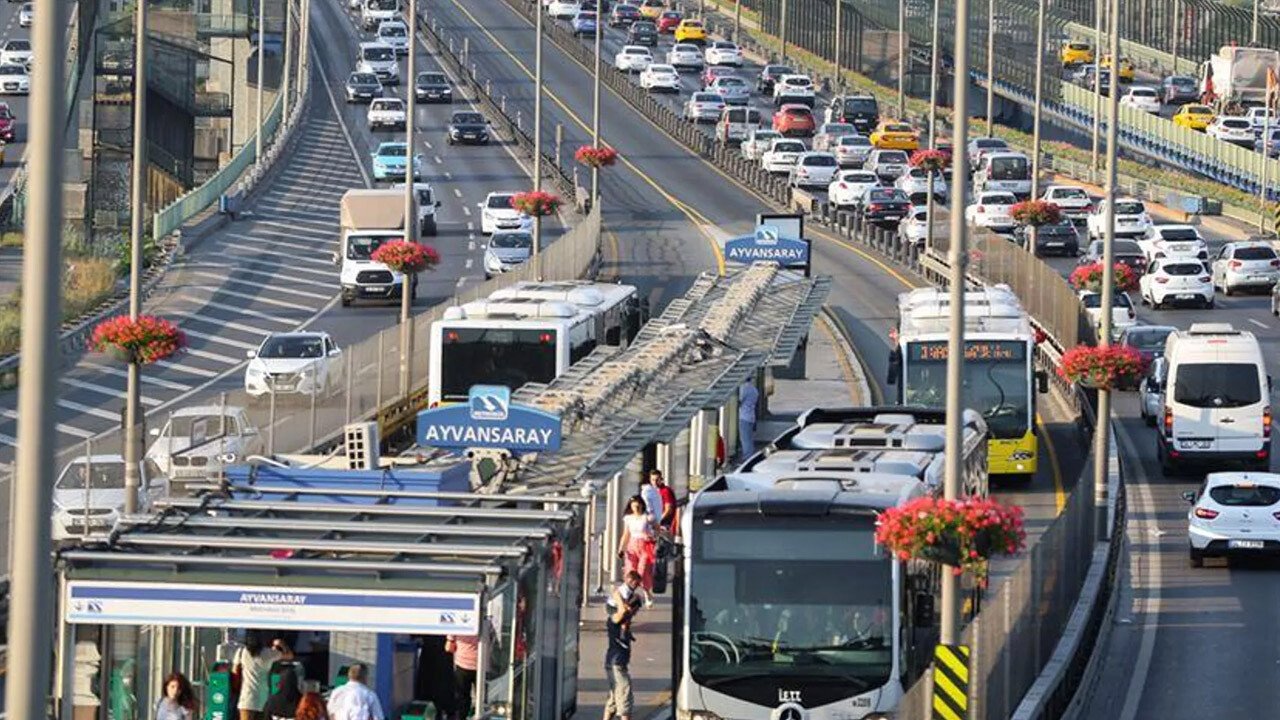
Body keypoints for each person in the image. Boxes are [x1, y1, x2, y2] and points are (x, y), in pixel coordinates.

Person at [235, 632, 289, 720]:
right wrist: (282, 644)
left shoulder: (241, 652)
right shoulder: (268, 653)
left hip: (246, 698)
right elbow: (289, 656)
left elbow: (235, 670)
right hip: (263, 699)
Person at [602, 588, 637, 720]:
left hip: (616, 663)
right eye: (634, 609)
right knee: (625, 699)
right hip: (616, 664)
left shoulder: (625, 622)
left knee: (614, 698)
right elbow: (621, 610)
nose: (634, 612)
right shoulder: (614, 619)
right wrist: (619, 597)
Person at [617, 495, 657, 604]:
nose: (636, 508)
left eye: (638, 505)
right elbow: (626, 534)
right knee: (630, 571)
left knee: (642, 572)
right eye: (634, 506)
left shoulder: (647, 517)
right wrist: (621, 548)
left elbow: (657, 529)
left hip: (644, 545)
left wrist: (652, 536)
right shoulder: (628, 518)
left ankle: (647, 592)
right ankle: (628, 594)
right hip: (632, 545)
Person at [445, 631, 480, 719]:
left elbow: (449, 648)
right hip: (481, 665)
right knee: (481, 699)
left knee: (462, 698)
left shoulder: (458, 625)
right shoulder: (486, 623)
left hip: (462, 665)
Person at [651, 470, 677, 537]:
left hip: (665, 523)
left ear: (661, 479)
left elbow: (668, 510)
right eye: (653, 480)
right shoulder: (652, 491)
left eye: (657, 480)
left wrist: (658, 521)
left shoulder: (665, 491)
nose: (655, 482)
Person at [738, 379, 760, 458]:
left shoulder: (744, 388)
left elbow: (739, 401)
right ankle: (750, 457)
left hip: (744, 417)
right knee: (749, 439)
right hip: (751, 416)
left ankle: (747, 458)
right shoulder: (754, 389)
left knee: (745, 440)